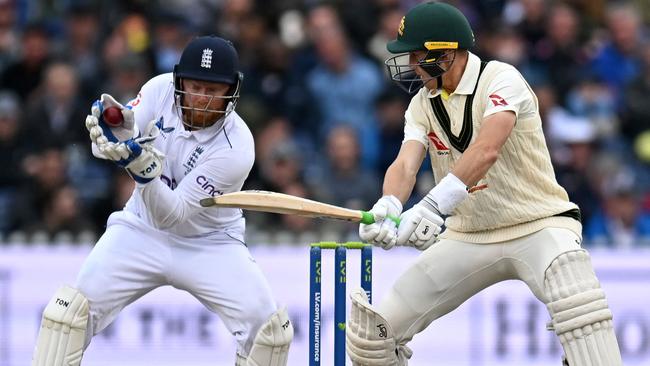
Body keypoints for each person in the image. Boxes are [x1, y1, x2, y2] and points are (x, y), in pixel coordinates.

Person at [346, 3, 623, 366]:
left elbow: (487, 148)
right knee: (372, 338)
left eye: (417, 55)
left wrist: (431, 206)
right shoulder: (421, 104)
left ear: (445, 52)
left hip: (537, 224)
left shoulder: (500, 79)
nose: (411, 64)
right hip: (468, 235)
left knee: (577, 300)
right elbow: (405, 163)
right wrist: (389, 205)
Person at [31, 36, 293, 366]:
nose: (201, 99)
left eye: (213, 91)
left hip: (210, 243)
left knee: (270, 334)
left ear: (232, 92)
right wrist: (113, 134)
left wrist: (144, 175)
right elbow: (118, 138)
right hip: (139, 231)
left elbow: (175, 215)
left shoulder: (237, 147)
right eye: (195, 86)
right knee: (67, 317)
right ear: (179, 80)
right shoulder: (159, 89)